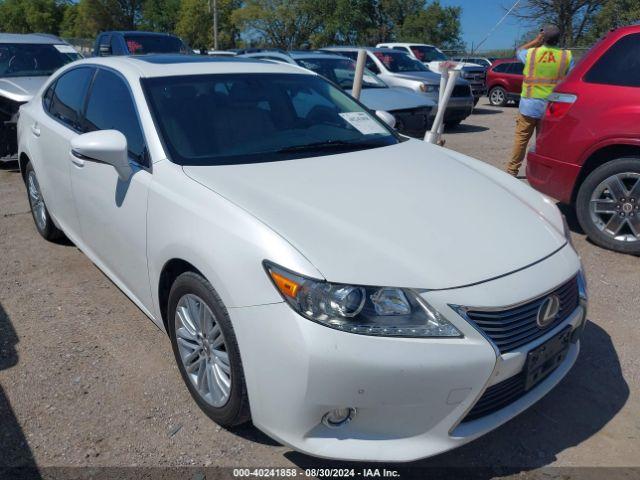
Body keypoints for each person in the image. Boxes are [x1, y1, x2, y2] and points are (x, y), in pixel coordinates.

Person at [506, 25, 573, 177]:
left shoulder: (532, 53)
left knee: (521, 140)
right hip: (551, 108)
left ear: (543, 38)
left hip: (528, 106)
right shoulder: (566, 56)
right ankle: (540, 174)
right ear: (558, 39)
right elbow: (571, 78)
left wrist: (536, 41)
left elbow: (518, 50)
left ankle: (511, 171)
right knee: (543, 143)